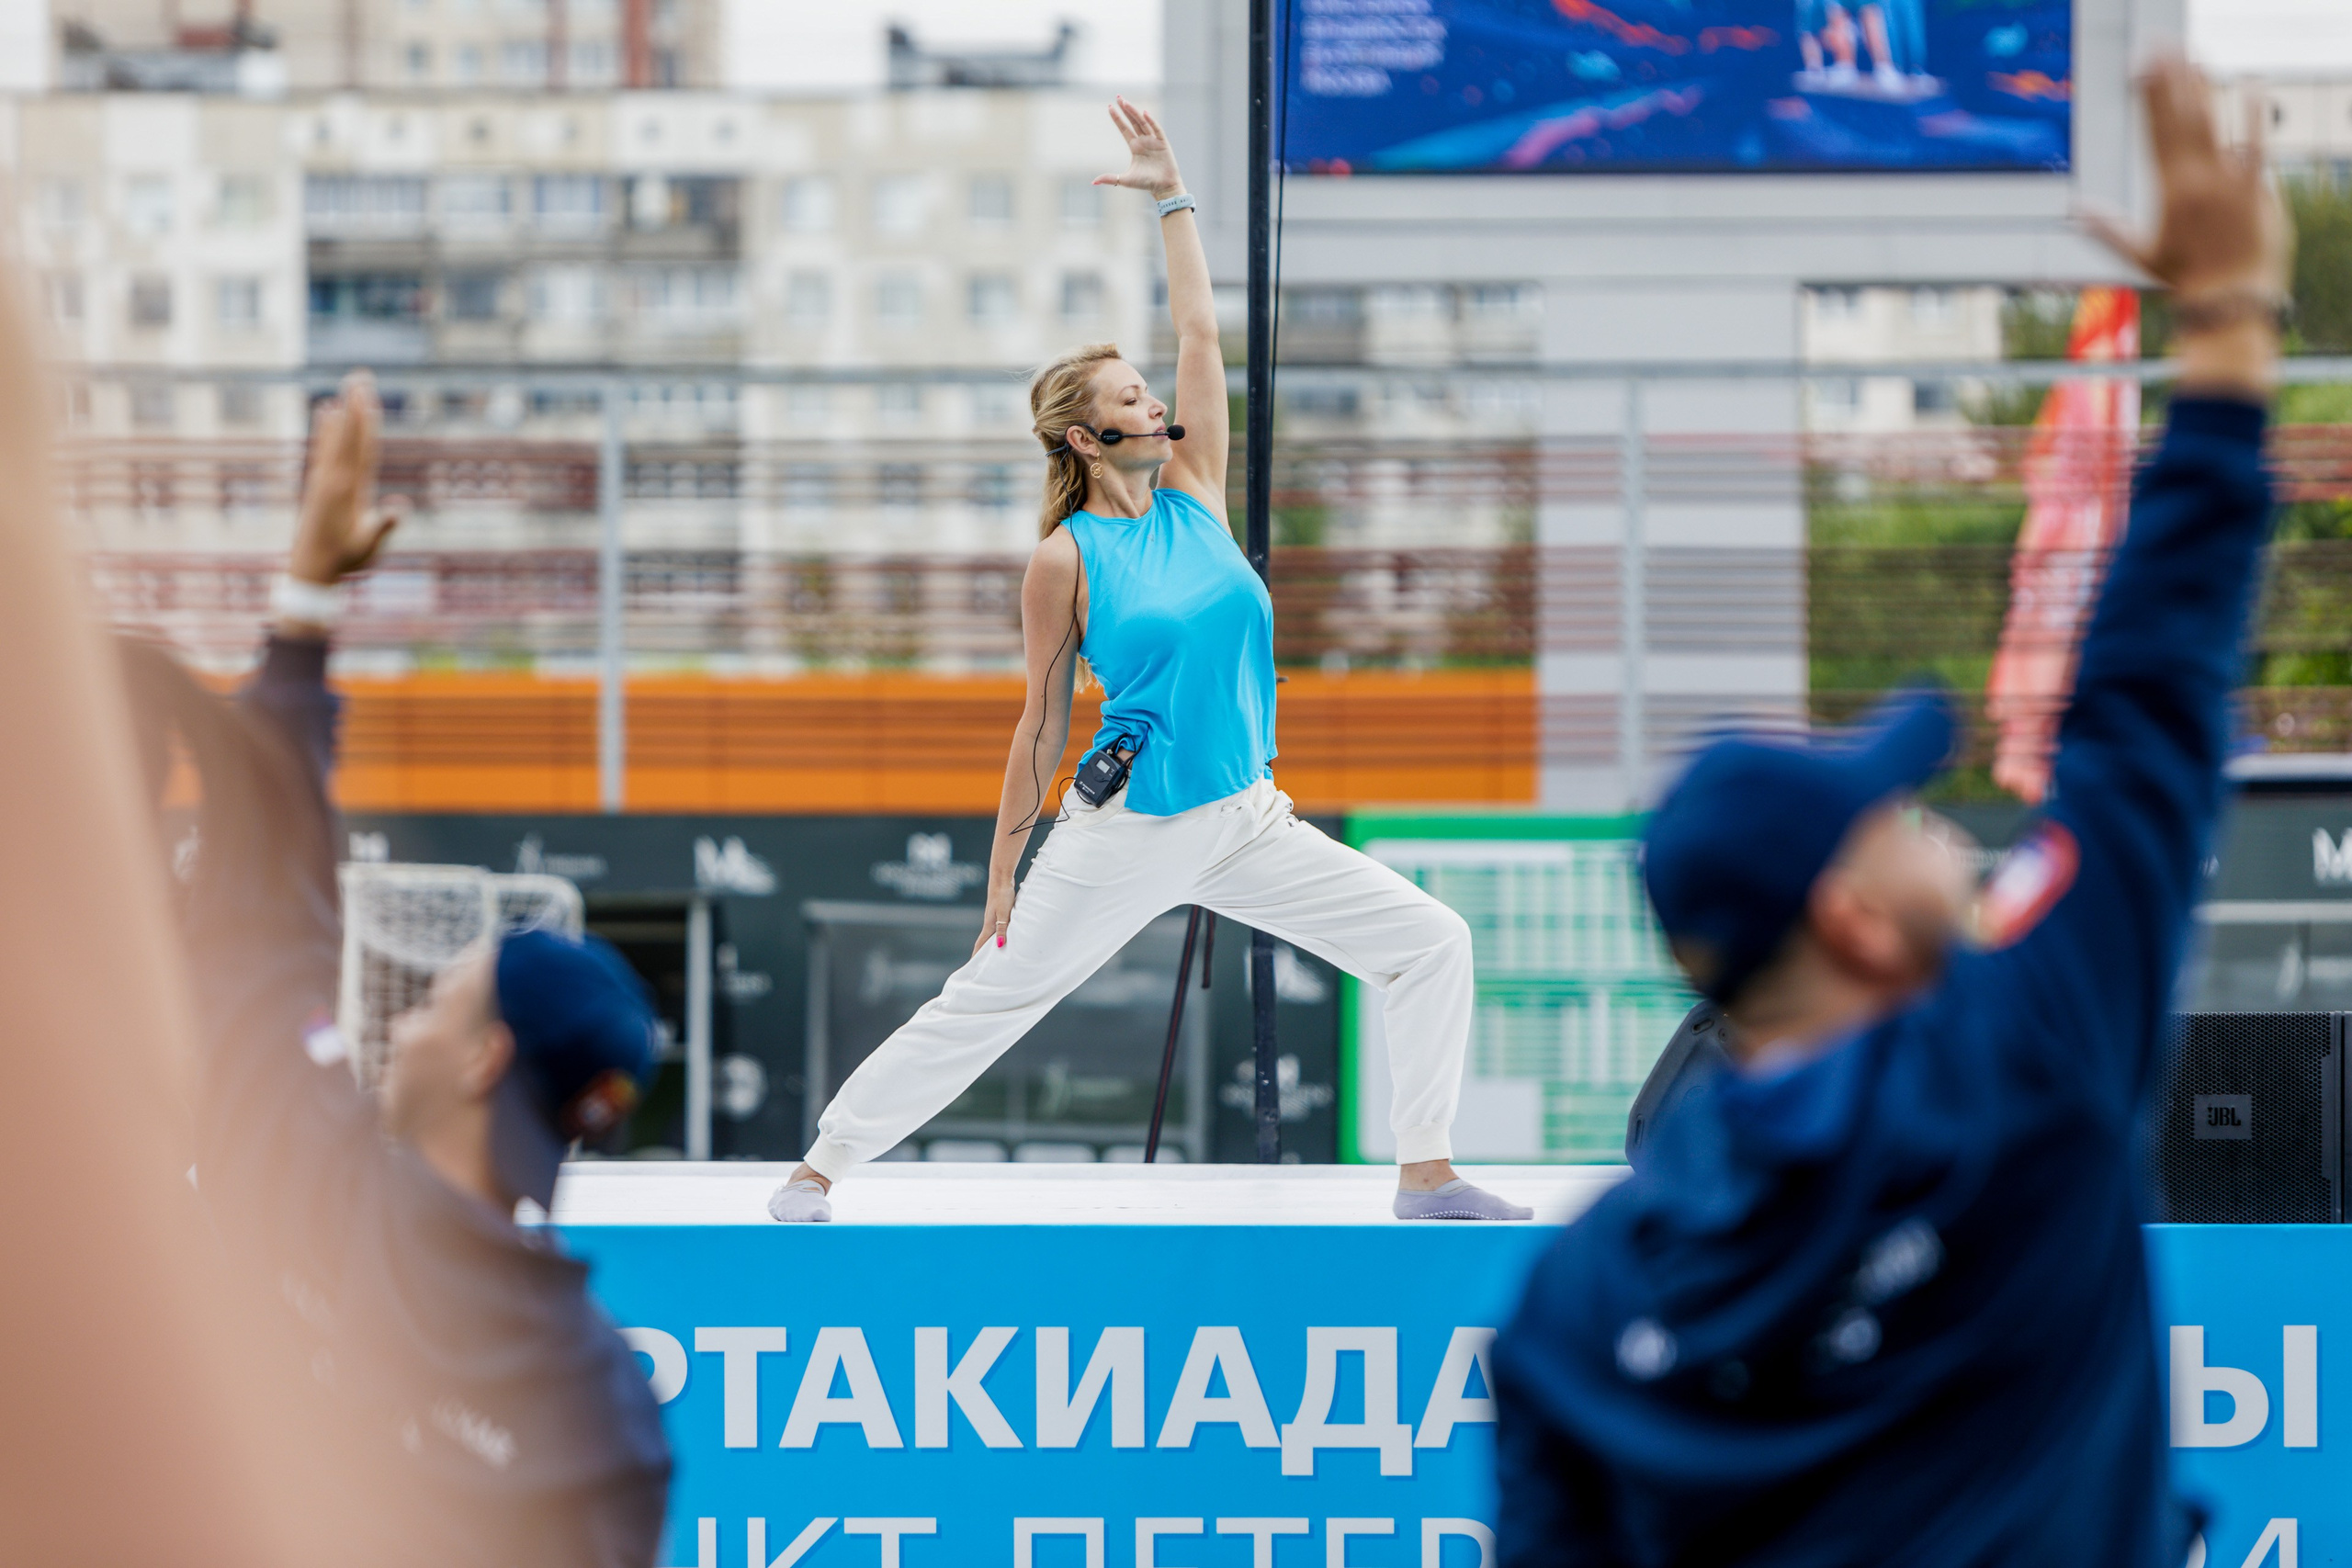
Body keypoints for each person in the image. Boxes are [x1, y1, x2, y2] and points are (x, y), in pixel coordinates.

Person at [1495, 54, 2289, 1566]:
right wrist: (2230, 325)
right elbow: (2148, 701)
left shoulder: (1581, 1298)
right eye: (1902, 819)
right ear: (1854, 922)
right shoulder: (2024, 1061)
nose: (1949, 830)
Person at [768, 98, 1526, 1224]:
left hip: (1245, 818)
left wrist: (1170, 191)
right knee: (994, 997)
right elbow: (1035, 728)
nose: (1155, 400)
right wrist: (999, 885)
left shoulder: (1197, 496)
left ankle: (1425, 1175)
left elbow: (1203, 338)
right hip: (1126, 828)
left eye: (1147, 389)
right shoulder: (1065, 559)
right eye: (1129, 398)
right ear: (1086, 437)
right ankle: (818, 1171)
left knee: (1430, 944)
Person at [127, 373, 674, 1567]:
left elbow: (262, 919)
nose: (405, 1025)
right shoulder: (605, 1409)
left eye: (436, 1001)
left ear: (481, 1057)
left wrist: (306, 605)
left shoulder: (332, 1204)